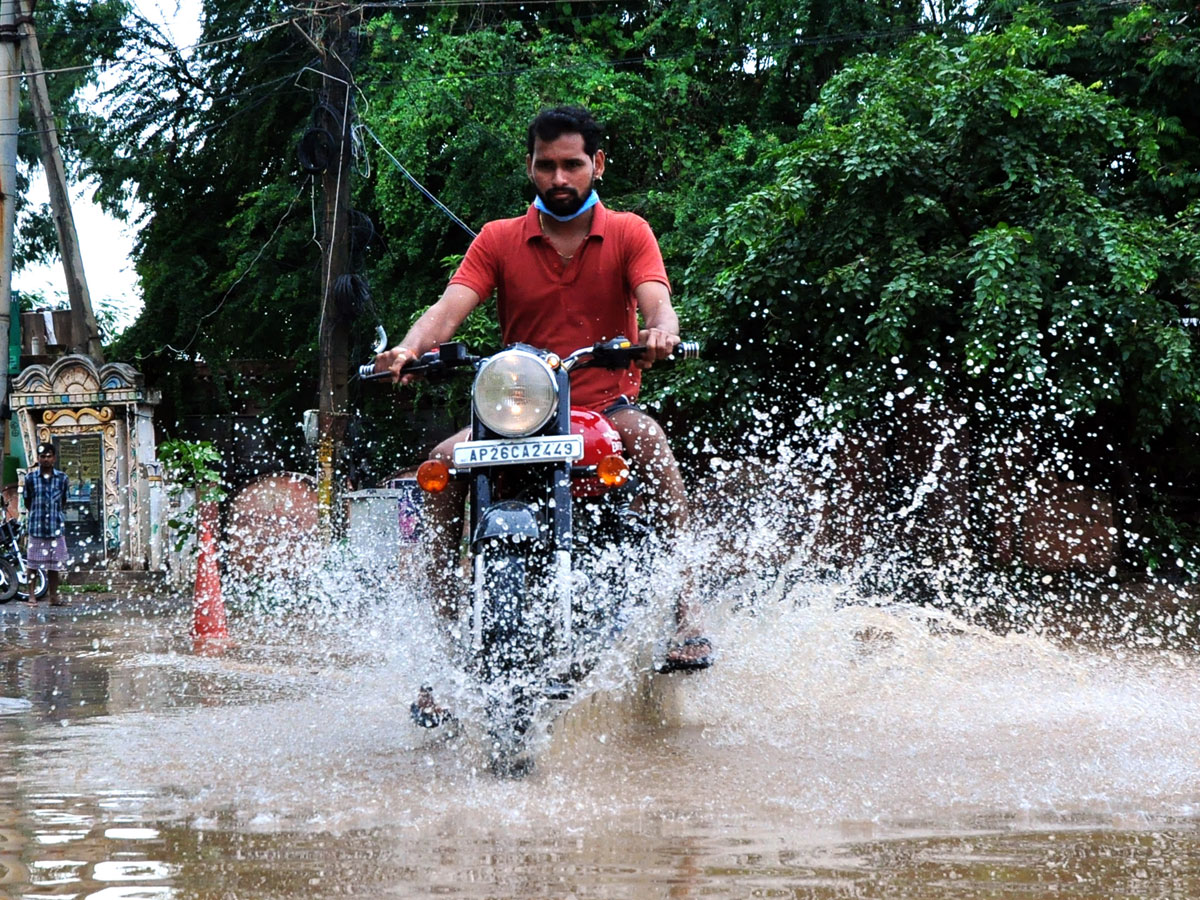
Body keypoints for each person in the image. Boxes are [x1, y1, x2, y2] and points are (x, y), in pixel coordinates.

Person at [375, 106, 712, 721]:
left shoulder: (630, 231)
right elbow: (449, 308)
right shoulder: (500, 238)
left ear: (597, 164)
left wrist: (662, 333)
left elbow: (657, 302)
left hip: (604, 408)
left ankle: (686, 614)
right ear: (529, 166)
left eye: (572, 164)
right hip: (516, 414)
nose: (559, 177)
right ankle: (439, 662)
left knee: (652, 440)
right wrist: (409, 348)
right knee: (440, 467)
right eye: (546, 165)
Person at [23, 442, 69, 606]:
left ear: (54, 458)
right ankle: (32, 596)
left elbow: (64, 500)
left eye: (49, 456)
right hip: (36, 527)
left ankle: (54, 596)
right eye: (43, 456)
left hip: (55, 528)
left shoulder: (62, 478)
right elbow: (27, 501)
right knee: (32, 564)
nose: (46, 459)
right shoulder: (30, 478)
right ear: (38, 458)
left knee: (54, 565)